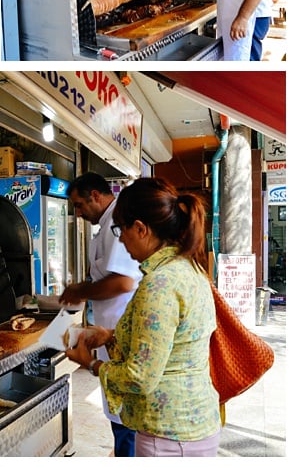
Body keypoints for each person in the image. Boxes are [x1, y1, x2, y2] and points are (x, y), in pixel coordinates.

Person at [66, 177, 221, 457]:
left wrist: (91, 364)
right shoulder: (187, 267)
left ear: (140, 229)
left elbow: (139, 378)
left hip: (169, 433)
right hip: (189, 425)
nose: (121, 239)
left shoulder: (159, 284)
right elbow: (165, 341)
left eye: (121, 229)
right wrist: (109, 337)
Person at [59, 172, 142, 457]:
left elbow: (123, 282)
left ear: (96, 195)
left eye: (80, 205)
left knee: (125, 419)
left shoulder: (117, 224)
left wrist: (82, 291)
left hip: (122, 333)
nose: (78, 213)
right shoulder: (107, 224)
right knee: (118, 414)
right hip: (111, 332)